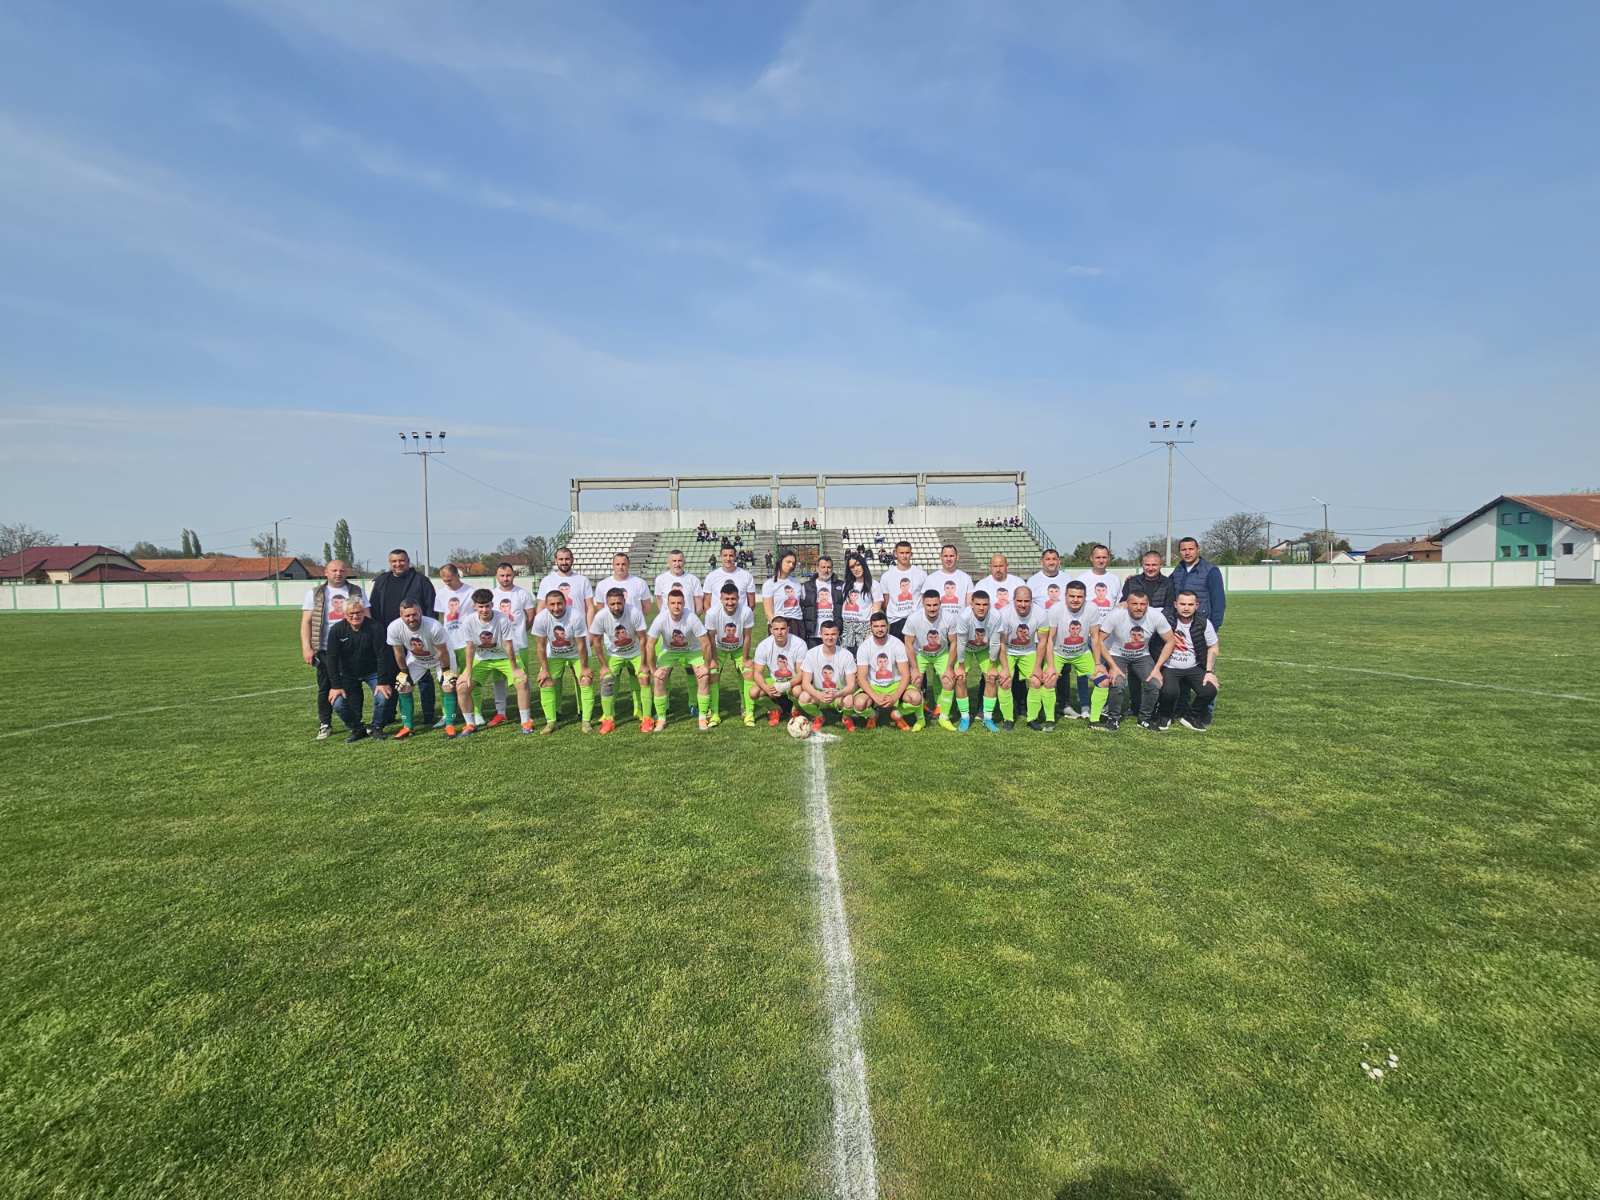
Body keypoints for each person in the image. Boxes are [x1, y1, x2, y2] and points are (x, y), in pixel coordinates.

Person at [300, 559, 364, 740]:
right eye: (334, 570)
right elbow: (306, 622)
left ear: (346, 572)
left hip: (350, 648)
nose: (338, 574)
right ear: (326, 572)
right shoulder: (315, 593)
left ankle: (356, 723)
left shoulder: (356, 591)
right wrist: (307, 647)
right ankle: (325, 723)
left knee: (353, 686)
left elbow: (366, 616)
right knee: (325, 687)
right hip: (325, 649)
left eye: (342, 570)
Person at [1091, 587, 1171, 732]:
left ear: (1147, 605)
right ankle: (1113, 719)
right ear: (1127, 604)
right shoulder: (1116, 615)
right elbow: (1099, 640)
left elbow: (1170, 640)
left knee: (1154, 682)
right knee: (1117, 682)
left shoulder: (1156, 616)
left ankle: (1144, 719)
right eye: (1134, 604)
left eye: (1142, 604)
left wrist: (1157, 668)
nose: (1139, 607)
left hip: (1142, 655)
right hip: (1117, 654)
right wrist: (1112, 666)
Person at [456, 588, 534, 735]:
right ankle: (470, 724)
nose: (484, 610)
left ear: (492, 605)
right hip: (482, 659)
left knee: (522, 681)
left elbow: (508, 644)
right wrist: (467, 672)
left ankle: (526, 721)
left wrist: (515, 668)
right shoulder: (468, 621)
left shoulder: (502, 619)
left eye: (487, 606)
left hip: (504, 657)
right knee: (462, 687)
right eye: (480, 606)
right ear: (474, 606)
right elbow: (470, 647)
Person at [324, 599, 394, 743]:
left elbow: (382, 655)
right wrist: (335, 686)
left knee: (383, 696)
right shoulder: (337, 630)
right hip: (348, 674)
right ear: (345, 614)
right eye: (351, 613)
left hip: (373, 672)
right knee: (337, 703)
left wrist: (382, 682)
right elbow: (331, 658)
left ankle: (376, 727)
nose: (355, 616)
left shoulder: (375, 627)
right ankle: (357, 729)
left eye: (359, 612)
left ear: (363, 612)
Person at [588, 586, 653, 734]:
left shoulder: (634, 612)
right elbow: (596, 641)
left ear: (624, 601)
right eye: (612, 604)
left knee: (644, 677)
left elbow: (643, 639)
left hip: (635, 653)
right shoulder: (601, 616)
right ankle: (608, 719)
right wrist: (603, 666)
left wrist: (644, 664)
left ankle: (647, 718)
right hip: (615, 655)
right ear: (607, 603)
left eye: (619, 603)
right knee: (606, 680)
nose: (616, 607)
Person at [386, 599, 454, 738]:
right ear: (401, 615)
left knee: (448, 685)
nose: (411, 619)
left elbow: (442, 651)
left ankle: (449, 724)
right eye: (407, 616)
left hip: (440, 658)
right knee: (403, 686)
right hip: (417, 659)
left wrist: (446, 671)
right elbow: (398, 653)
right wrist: (404, 672)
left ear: (420, 612)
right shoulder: (394, 627)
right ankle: (408, 727)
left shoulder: (434, 626)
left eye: (414, 614)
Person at [647, 588, 713, 731]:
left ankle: (702, 717)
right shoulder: (661, 619)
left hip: (692, 651)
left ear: (684, 604)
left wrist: (706, 666)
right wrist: (653, 670)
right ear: (668, 604)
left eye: (679, 603)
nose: (676, 606)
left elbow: (706, 643)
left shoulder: (691, 618)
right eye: (673, 603)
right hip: (670, 651)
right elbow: (650, 644)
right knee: (658, 678)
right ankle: (661, 718)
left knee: (704, 677)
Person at [531, 589, 593, 735]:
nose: (556, 608)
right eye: (552, 604)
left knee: (585, 680)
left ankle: (586, 721)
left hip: (577, 654)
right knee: (545, 681)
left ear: (565, 603)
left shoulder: (576, 616)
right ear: (546, 605)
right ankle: (551, 722)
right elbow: (540, 646)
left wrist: (584, 668)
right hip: (554, 655)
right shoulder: (541, 618)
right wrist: (544, 670)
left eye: (559, 603)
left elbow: (581, 645)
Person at [1156, 589, 1219, 731]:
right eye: (1182, 604)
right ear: (1175, 604)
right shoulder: (1165, 618)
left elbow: (1213, 647)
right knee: (1170, 692)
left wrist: (1209, 671)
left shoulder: (1204, 623)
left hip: (1193, 667)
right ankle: (1165, 715)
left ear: (1197, 605)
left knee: (1210, 690)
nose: (1186, 608)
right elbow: (1144, 609)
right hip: (1170, 667)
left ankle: (1191, 716)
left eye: (1190, 604)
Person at [901, 589, 962, 732]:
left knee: (948, 680)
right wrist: (914, 668)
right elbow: (908, 643)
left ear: (940, 603)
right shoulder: (913, 618)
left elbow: (954, 642)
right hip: (921, 654)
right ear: (923, 604)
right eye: (928, 605)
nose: (932, 608)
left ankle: (944, 717)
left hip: (941, 654)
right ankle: (920, 719)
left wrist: (950, 667)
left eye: (935, 605)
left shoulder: (949, 617)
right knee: (916, 681)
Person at [1048, 581, 1107, 723]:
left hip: (1082, 654)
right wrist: (1050, 666)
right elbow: (1049, 639)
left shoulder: (1092, 608)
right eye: (1072, 596)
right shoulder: (1055, 609)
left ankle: (1094, 720)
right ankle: (1049, 720)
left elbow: (1095, 637)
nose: (1075, 600)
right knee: (1049, 681)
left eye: (1079, 597)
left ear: (1085, 597)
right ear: (1065, 596)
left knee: (1103, 681)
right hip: (1059, 654)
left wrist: (1098, 663)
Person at [487, 562, 536, 727]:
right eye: (502, 576)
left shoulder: (522, 594)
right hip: (498, 647)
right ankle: (501, 712)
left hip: (519, 644)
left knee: (522, 679)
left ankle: (526, 711)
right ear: (496, 576)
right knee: (499, 680)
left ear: (513, 575)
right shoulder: (492, 595)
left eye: (508, 575)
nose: (505, 578)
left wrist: (520, 631)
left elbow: (530, 616)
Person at [994, 586, 1048, 730]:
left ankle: (1032, 718)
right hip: (1008, 651)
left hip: (1029, 651)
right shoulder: (1004, 614)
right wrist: (1005, 668)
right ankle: (1008, 719)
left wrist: (1038, 667)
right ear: (1013, 600)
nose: (1023, 604)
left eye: (1026, 601)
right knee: (1005, 681)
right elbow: (1002, 643)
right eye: (1019, 601)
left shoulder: (1041, 614)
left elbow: (1042, 642)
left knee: (1036, 681)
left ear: (1031, 601)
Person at [955, 588, 1007, 732]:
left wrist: (992, 665)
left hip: (984, 648)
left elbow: (995, 642)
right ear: (971, 604)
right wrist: (960, 665)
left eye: (985, 604)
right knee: (960, 678)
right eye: (978, 604)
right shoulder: (964, 617)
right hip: (966, 648)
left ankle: (987, 718)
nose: (981, 608)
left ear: (989, 605)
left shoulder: (996, 616)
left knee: (991, 678)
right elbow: (961, 643)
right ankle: (965, 717)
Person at [853, 611, 916, 731]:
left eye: (882, 626)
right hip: (874, 686)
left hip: (894, 685)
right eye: (876, 626)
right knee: (859, 704)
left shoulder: (897, 644)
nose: (880, 629)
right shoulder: (864, 647)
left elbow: (905, 674)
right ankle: (873, 715)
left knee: (916, 698)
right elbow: (861, 677)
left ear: (888, 626)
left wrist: (895, 697)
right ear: (871, 627)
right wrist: (875, 697)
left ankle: (897, 713)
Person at [796, 620, 862, 732]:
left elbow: (851, 685)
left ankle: (846, 718)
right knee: (803, 697)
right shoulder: (811, 654)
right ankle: (818, 716)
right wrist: (818, 694)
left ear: (838, 634)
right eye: (826, 634)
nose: (830, 637)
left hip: (839, 694)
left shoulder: (846, 655)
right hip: (819, 694)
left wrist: (837, 694)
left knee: (849, 699)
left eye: (833, 634)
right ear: (820, 635)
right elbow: (805, 683)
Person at [705, 582, 755, 727]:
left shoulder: (746, 611)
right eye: (726, 599)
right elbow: (710, 638)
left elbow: (747, 636)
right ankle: (714, 714)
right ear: (720, 599)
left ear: (738, 598)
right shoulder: (712, 613)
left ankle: (748, 712)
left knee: (748, 672)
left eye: (733, 599)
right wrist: (713, 660)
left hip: (739, 647)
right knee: (712, 672)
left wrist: (745, 658)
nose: (730, 602)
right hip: (719, 647)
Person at [749, 615, 805, 728]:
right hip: (775, 681)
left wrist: (786, 685)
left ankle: (795, 709)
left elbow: (801, 673)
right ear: (771, 630)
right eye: (776, 629)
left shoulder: (799, 644)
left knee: (798, 691)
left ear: (788, 629)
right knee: (754, 693)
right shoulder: (764, 645)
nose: (780, 632)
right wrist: (766, 688)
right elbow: (757, 673)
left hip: (792, 681)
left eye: (783, 629)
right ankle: (774, 709)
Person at [367, 548, 436, 631]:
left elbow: (431, 607)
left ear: (408, 561)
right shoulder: (381, 581)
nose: (398, 564)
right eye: (394, 561)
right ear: (389, 563)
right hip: (386, 631)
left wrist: (429, 629)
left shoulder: (421, 581)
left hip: (415, 631)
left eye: (401, 560)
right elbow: (374, 607)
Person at [1168, 536, 1226, 629]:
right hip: (1179, 624)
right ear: (1179, 552)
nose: (1187, 553)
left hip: (1202, 623)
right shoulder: (1177, 571)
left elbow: (1218, 601)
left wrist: (1214, 626)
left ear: (1198, 550)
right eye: (1183, 550)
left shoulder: (1211, 570)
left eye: (1191, 549)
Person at [875, 540, 926, 639]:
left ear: (911, 554)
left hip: (917, 620)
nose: (904, 556)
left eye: (907, 553)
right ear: (895, 554)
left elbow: (924, 598)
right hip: (896, 622)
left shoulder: (921, 574)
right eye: (901, 553)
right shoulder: (887, 576)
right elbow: (885, 602)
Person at [432, 561, 473, 676]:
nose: (447, 583)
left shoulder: (470, 592)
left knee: (468, 675)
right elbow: (441, 617)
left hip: (466, 641)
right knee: (449, 675)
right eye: (444, 580)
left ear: (457, 575)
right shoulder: (441, 593)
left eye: (449, 579)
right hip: (448, 642)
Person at [588, 552, 651, 625]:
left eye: (623, 564)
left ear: (628, 565)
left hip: (634, 627)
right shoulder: (602, 585)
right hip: (611, 627)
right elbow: (601, 609)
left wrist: (635, 619)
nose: (620, 567)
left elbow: (647, 608)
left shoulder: (640, 583)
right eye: (617, 564)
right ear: (613, 565)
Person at [762, 549, 807, 645]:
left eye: (793, 563)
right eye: (788, 562)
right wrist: (776, 627)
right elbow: (768, 611)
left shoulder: (796, 583)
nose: (791, 565)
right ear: (780, 561)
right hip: (779, 624)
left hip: (797, 623)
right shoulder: (769, 584)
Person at [538, 547, 594, 623]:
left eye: (567, 559)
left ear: (572, 560)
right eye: (561, 559)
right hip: (554, 627)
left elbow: (590, 607)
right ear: (556, 561)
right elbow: (541, 607)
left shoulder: (583, 580)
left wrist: (590, 628)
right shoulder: (546, 581)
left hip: (578, 626)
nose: (564, 562)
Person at [801, 554, 846, 644]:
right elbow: (801, 609)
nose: (826, 570)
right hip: (813, 635)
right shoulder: (806, 586)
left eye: (829, 567)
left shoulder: (841, 585)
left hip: (833, 635)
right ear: (817, 568)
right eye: (823, 567)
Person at [702, 544, 756, 616]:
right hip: (717, 620)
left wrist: (743, 617)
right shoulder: (711, 576)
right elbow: (706, 603)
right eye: (725, 555)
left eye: (731, 555)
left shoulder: (746, 576)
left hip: (740, 619)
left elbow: (751, 604)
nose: (728, 559)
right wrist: (712, 618)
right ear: (720, 557)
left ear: (735, 557)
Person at [1072, 544, 1123, 616]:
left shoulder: (1115, 580)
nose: (1101, 561)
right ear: (1091, 558)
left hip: (1109, 622)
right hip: (1088, 622)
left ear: (1108, 558)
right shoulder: (1081, 579)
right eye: (1098, 557)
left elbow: (1119, 604)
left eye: (1104, 557)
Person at [839, 553, 876, 652]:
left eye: (858, 565)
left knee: (863, 657)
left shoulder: (873, 585)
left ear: (863, 565)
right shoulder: (846, 585)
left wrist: (871, 631)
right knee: (846, 657)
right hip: (847, 627)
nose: (856, 569)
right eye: (852, 567)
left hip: (864, 627)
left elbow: (876, 610)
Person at [925, 544, 973, 615]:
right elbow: (925, 603)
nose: (948, 559)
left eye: (951, 556)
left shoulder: (966, 578)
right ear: (941, 557)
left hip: (959, 621)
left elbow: (969, 605)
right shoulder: (931, 578)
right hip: (939, 621)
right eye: (945, 556)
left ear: (957, 557)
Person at [654, 548, 702, 613]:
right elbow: (659, 600)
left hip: (688, 619)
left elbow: (699, 606)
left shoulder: (694, 580)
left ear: (684, 562)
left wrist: (692, 617)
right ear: (669, 563)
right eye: (674, 561)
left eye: (680, 561)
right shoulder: (660, 579)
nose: (677, 564)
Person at [1027, 548, 1068, 613]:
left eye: (1054, 559)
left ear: (1059, 561)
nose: (1051, 562)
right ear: (1041, 561)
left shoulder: (1067, 579)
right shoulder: (1032, 581)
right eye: (1048, 559)